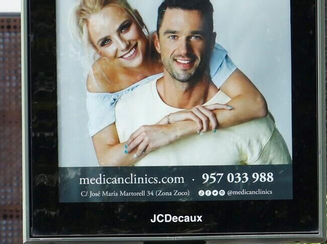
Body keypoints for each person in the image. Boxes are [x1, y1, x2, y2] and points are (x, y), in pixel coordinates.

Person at [74, 0, 268, 166]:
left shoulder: (184, 48)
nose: (123, 44)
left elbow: (255, 104)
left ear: (138, 19)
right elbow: (107, 160)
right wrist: (161, 126)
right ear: (98, 51)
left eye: (124, 28)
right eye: (106, 42)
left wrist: (177, 128)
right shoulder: (100, 80)